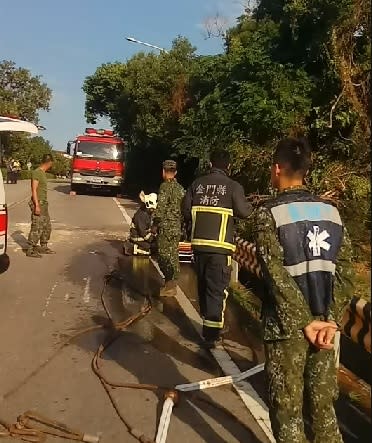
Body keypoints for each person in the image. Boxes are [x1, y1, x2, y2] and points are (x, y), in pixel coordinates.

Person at [255, 137, 353, 443]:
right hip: (326, 329)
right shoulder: (331, 213)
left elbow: (275, 275)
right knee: (324, 409)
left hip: (288, 331)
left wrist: (304, 322)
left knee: (288, 412)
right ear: (306, 171)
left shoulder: (268, 214)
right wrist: (330, 319)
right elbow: (346, 273)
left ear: (276, 168)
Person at [182, 149, 252, 348]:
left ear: (210, 163)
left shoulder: (197, 184)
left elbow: (186, 211)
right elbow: (244, 212)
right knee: (216, 289)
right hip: (220, 248)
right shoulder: (233, 187)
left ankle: (208, 322)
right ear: (228, 166)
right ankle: (212, 334)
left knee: (203, 285)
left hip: (199, 246)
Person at [153, 160, 185, 297]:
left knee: (163, 256)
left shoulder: (165, 187)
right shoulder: (180, 188)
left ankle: (170, 283)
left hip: (166, 227)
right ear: (176, 172)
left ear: (163, 172)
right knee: (173, 255)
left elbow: (160, 208)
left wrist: (155, 224)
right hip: (177, 227)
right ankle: (171, 284)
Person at [26, 154, 55, 258]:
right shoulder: (37, 172)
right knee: (37, 226)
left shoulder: (43, 173)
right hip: (38, 202)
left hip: (44, 203)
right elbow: (34, 189)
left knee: (47, 226)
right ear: (49, 163)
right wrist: (37, 205)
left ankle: (43, 246)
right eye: (51, 163)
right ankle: (30, 249)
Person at [123, 191, 158, 256]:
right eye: (152, 209)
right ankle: (132, 248)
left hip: (141, 235)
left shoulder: (146, 212)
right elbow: (143, 232)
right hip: (138, 237)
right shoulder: (141, 215)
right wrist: (152, 239)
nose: (153, 210)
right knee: (154, 247)